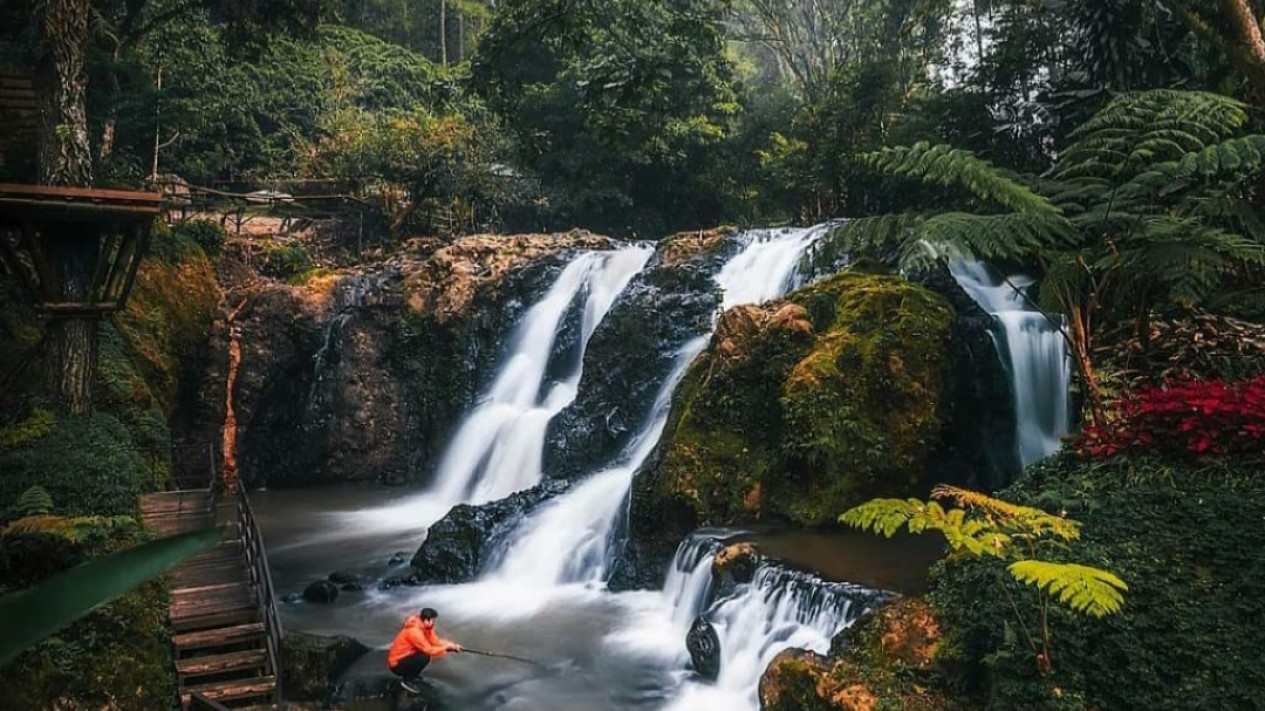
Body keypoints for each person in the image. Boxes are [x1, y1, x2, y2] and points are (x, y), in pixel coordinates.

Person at [388, 607, 463, 693]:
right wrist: (446, 648)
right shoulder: (414, 632)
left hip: (406, 658)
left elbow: (435, 642)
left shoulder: (426, 628)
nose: (434, 623)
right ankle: (407, 681)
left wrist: (453, 646)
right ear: (426, 621)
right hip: (396, 665)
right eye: (433, 621)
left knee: (423, 655)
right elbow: (429, 650)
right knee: (424, 657)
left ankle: (413, 676)